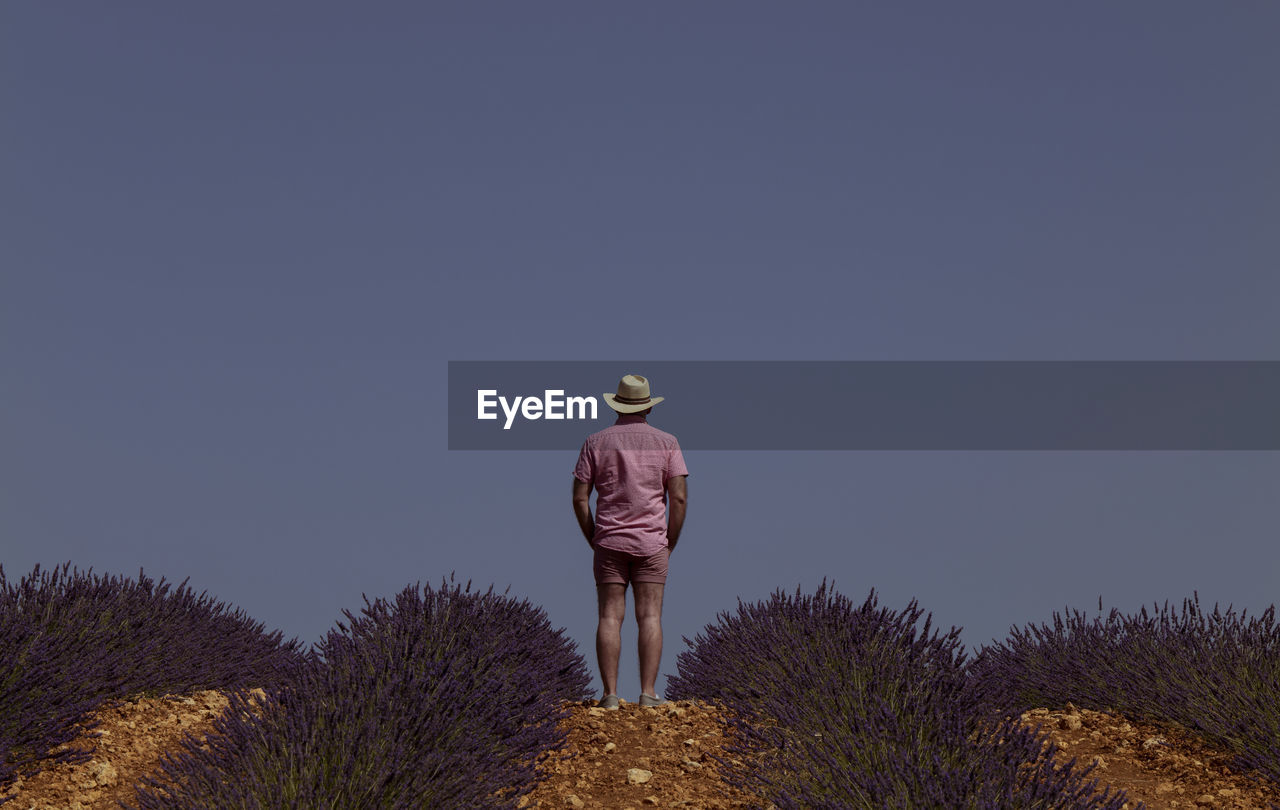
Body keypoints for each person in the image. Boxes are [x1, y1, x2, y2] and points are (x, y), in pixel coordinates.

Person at [573, 374, 688, 709]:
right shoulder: (668, 442)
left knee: (610, 616)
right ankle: (648, 692)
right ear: (648, 407)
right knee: (650, 616)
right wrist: (670, 541)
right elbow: (678, 498)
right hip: (653, 541)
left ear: (617, 404)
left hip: (608, 539)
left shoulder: (595, 442)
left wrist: (594, 537)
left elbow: (580, 498)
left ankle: (609, 693)